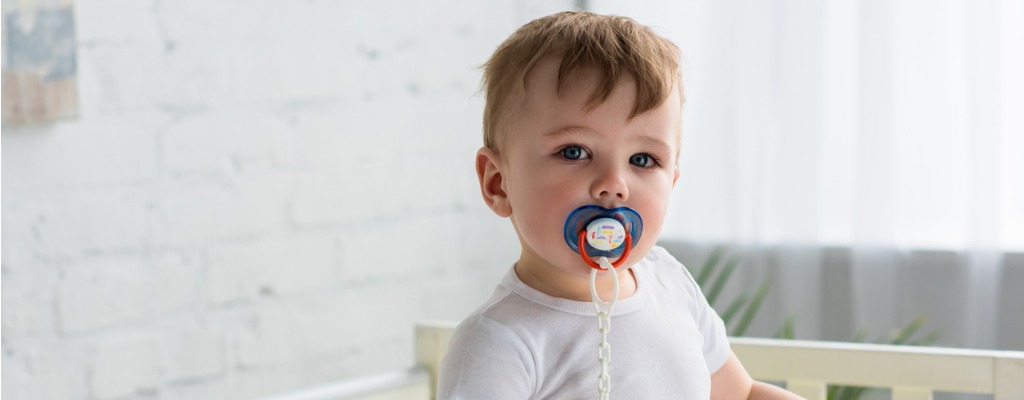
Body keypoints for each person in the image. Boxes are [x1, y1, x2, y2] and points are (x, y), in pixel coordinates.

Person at [438, 11, 802, 400]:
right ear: (499, 183)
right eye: (575, 151)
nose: (614, 185)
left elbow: (741, 394)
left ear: (672, 181)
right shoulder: (498, 342)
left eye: (643, 159)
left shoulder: (670, 283)